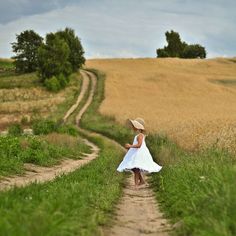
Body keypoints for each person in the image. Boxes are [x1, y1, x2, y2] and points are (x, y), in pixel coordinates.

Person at [117, 118, 162, 186]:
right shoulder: (137, 135)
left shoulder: (140, 135)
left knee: (136, 168)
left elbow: (139, 145)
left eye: (134, 126)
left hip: (139, 154)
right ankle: (141, 181)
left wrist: (130, 146)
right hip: (136, 153)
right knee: (134, 168)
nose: (132, 127)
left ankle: (136, 185)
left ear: (137, 127)